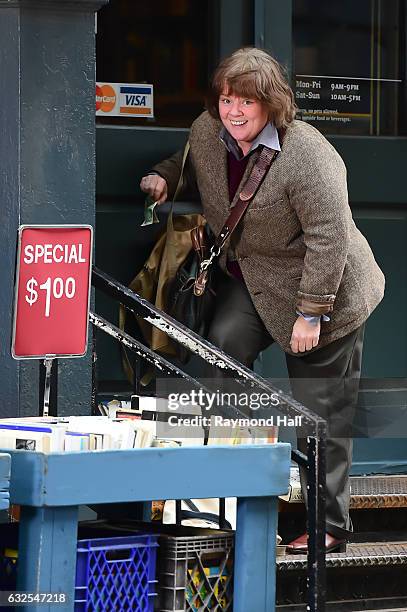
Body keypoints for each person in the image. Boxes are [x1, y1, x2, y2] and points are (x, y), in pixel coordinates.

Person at [140, 47, 385, 553]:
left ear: (270, 104)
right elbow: (194, 163)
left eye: (245, 103)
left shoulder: (310, 156)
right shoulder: (209, 131)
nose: (233, 111)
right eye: (227, 99)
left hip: (326, 288)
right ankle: (231, 502)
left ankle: (328, 526)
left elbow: (330, 238)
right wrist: (166, 177)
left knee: (323, 412)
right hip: (254, 278)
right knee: (219, 352)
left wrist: (311, 312)